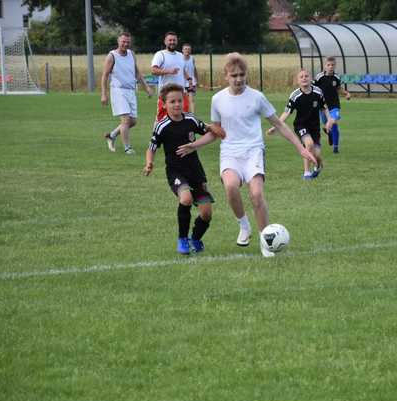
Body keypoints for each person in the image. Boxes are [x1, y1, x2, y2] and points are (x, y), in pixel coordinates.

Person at [205, 53, 316, 257]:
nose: (238, 79)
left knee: (256, 195)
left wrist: (301, 148)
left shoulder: (257, 97)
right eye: (234, 75)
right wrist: (194, 145)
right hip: (229, 152)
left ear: (247, 74)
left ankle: (266, 242)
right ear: (225, 76)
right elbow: (216, 131)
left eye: (242, 74)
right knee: (230, 186)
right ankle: (244, 225)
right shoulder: (217, 99)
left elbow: (279, 123)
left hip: (253, 151)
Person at [142, 83, 224, 255]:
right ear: (164, 104)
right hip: (176, 172)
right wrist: (149, 162)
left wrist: (214, 131)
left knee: (207, 213)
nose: (177, 104)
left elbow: (210, 132)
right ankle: (182, 239)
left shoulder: (191, 120)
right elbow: (152, 147)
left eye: (180, 100)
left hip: (195, 171)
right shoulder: (161, 126)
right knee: (186, 199)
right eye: (172, 102)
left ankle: (195, 238)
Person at [266, 69, 334, 180]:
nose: (304, 78)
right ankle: (306, 173)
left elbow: (324, 108)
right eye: (301, 77)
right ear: (297, 81)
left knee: (317, 155)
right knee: (309, 144)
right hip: (301, 125)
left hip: (315, 127)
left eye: (306, 76)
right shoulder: (295, 95)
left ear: (311, 78)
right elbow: (286, 112)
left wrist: (329, 120)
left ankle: (317, 166)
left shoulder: (318, 92)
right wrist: (276, 126)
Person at [100, 31, 153, 155]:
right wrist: (104, 94)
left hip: (131, 91)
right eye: (123, 41)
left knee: (132, 121)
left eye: (128, 42)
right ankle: (127, 148)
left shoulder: (131, 54)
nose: (125, 44)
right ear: (118, 41)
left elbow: (137, 72)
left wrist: (146, 87)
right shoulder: (112, 56)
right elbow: (104, 76)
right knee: (125, 120)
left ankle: (112, 135)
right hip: (118, 91)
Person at [312, 56, 350, 154]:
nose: (330, 67)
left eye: (332, 65)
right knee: (328, 123)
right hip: (323, 106)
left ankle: (336, 148)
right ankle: (329, 132)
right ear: (325, 66)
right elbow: (313, 88)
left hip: (334, 105)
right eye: (328, 65)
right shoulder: (319, 77)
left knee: (333, 122)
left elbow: (338, 88)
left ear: (335, 66)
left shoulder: (336, 77)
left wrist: (346, 93)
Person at [151, 31, 190, 122]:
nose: (172, 42)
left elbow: (182, 70)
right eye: (170, 40)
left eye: (174, 40)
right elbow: (153, 70)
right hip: (166, 94)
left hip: (181, 94)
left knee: (184, 119)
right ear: (165, 41)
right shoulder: (160, 54)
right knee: (162, 120)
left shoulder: (180, 55)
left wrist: (189, 80)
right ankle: (156, 136)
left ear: (177, 41)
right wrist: (168, 71)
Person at [182, 43, 198, 113]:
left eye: (189, 49)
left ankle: (192, 115)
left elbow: (194, 69)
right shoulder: (180, 59)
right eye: (185, 49)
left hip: (192, 83)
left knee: (191, 100)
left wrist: (196, 80)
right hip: (182, 83)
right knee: (183, 101)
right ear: (182, 50)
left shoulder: (192, 58)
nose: (187, 51)